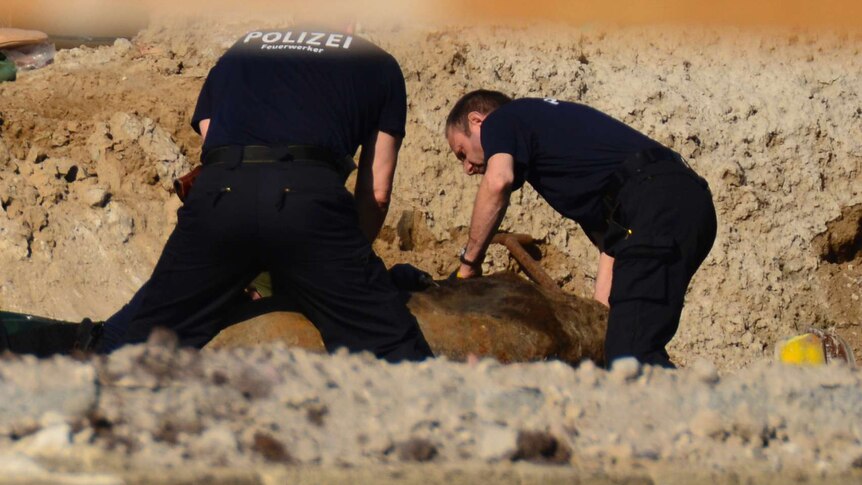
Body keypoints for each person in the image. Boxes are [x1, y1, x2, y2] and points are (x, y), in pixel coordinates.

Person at [98, 25, 433, 362]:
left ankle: (96, 379)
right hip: (307, 197)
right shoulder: (378, 62)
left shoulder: (245, 46)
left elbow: (210, 135)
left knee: (146, 340)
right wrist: (344, 266)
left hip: (221, 191)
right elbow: (377, 192)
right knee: (393, 349)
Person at [444, 90, 716, 368]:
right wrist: (600, 319)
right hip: (680, 206)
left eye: (462, 152)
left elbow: (498, 181)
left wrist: (469, 264)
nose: (467, 168)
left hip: (659, 203)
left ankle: (709, 409)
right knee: (622, 351)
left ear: (477, 121)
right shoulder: (563, 150)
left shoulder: (502, 120)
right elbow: (612, 245)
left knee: (632, 357)